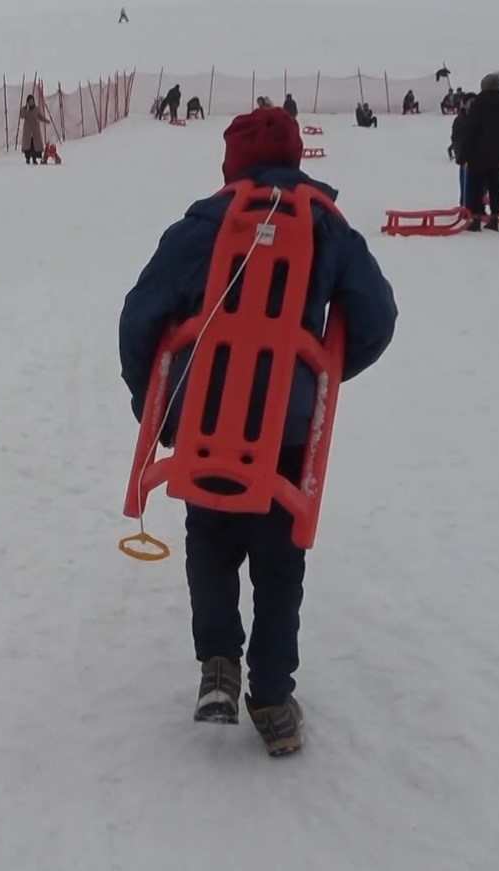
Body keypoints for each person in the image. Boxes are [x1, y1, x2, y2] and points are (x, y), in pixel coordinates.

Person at [116, 107, 398, 757]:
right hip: (287, 436)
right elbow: (375, 317)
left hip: (203, 427)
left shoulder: (198, 228)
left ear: (230, 163)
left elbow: (140, 317)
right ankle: (271, 696)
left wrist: (151, 406)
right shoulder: (326, 227)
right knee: (278, 563)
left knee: (210, 537)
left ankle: (217, 659)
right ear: (297, 157)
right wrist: (313, 374)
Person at [459, 73, 499, 231]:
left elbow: (472, 128)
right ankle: (494, 217)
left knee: (476, 185)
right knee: (496, 183)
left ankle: (475, 218)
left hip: (479, 152)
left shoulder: (480, 101)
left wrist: (464, 154)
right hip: (498, 152)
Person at [18, 94, 50, 164]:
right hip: (28, 130)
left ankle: (34, 159)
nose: (31, 102)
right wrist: (27, 109)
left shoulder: (36, 109)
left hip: (35, 129)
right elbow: (22, 116)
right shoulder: (24, 109)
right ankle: (28, 158)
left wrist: (46, 121)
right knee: (28, 145)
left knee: (35, 145)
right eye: (29, 101)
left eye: (32, 101)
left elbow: (40, 117)